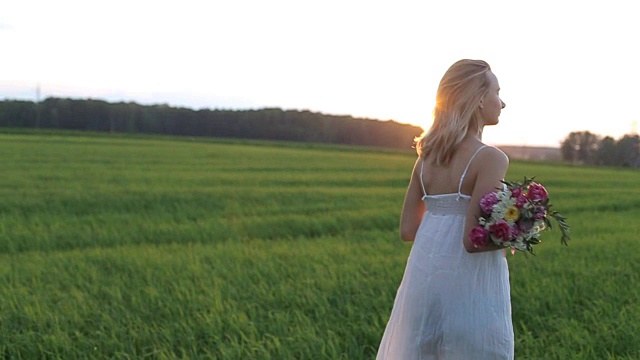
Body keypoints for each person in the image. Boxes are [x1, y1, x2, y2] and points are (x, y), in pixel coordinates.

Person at [376, 59, 514, 359]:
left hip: (424, 283)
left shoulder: (426, 157)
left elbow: (407, 230)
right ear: (478, 98)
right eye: (497, 92)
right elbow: (472, 240)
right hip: (470, 287)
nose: (502, 102)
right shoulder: (491, 158)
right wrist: (519, 232)